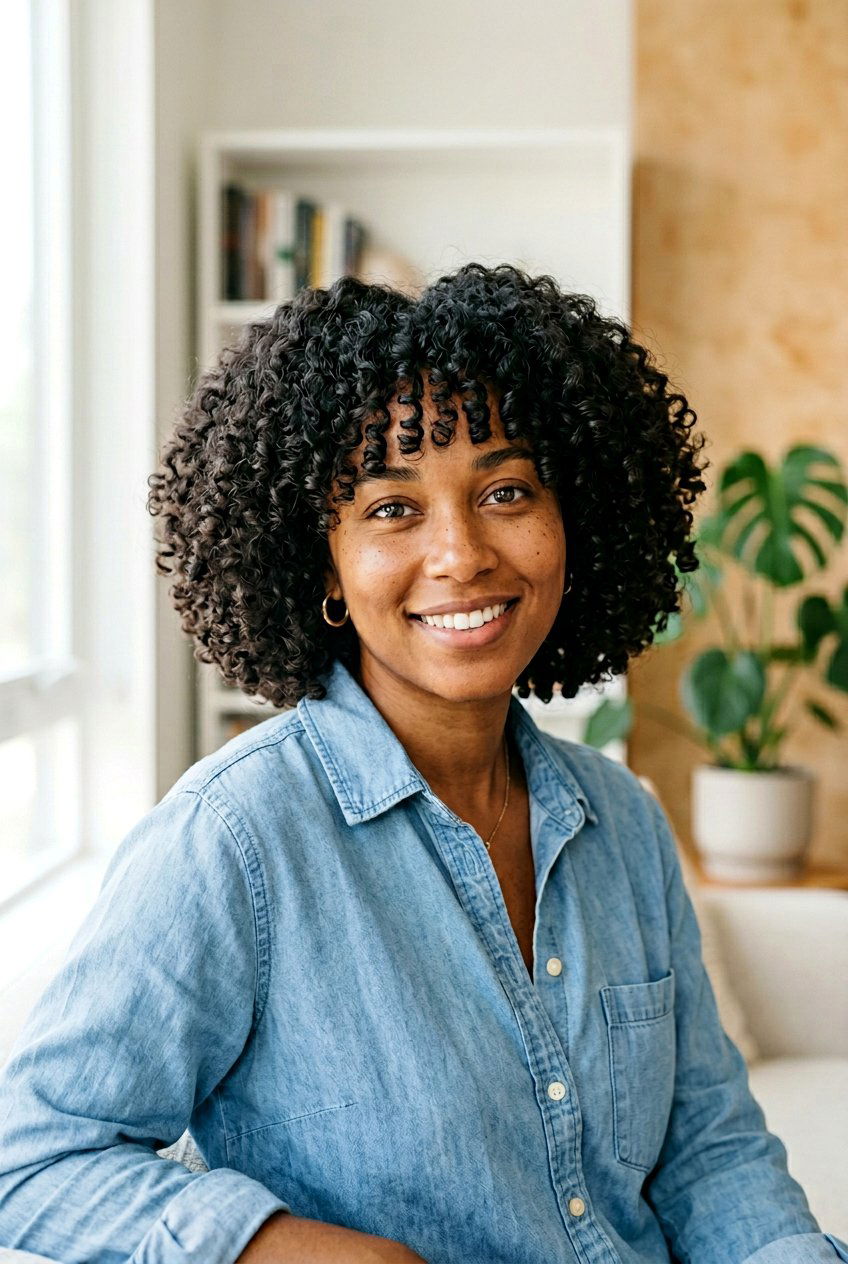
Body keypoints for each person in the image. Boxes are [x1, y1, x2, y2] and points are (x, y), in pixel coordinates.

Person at [0, 263, 845, 1264]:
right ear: (322, 559)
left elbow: (706, 1152)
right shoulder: (235, 838)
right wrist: (293, 1248)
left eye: (504, 490)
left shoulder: (620, 820)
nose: (460, 553)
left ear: (572, 520)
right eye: (392, 508)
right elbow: (34, 1160)